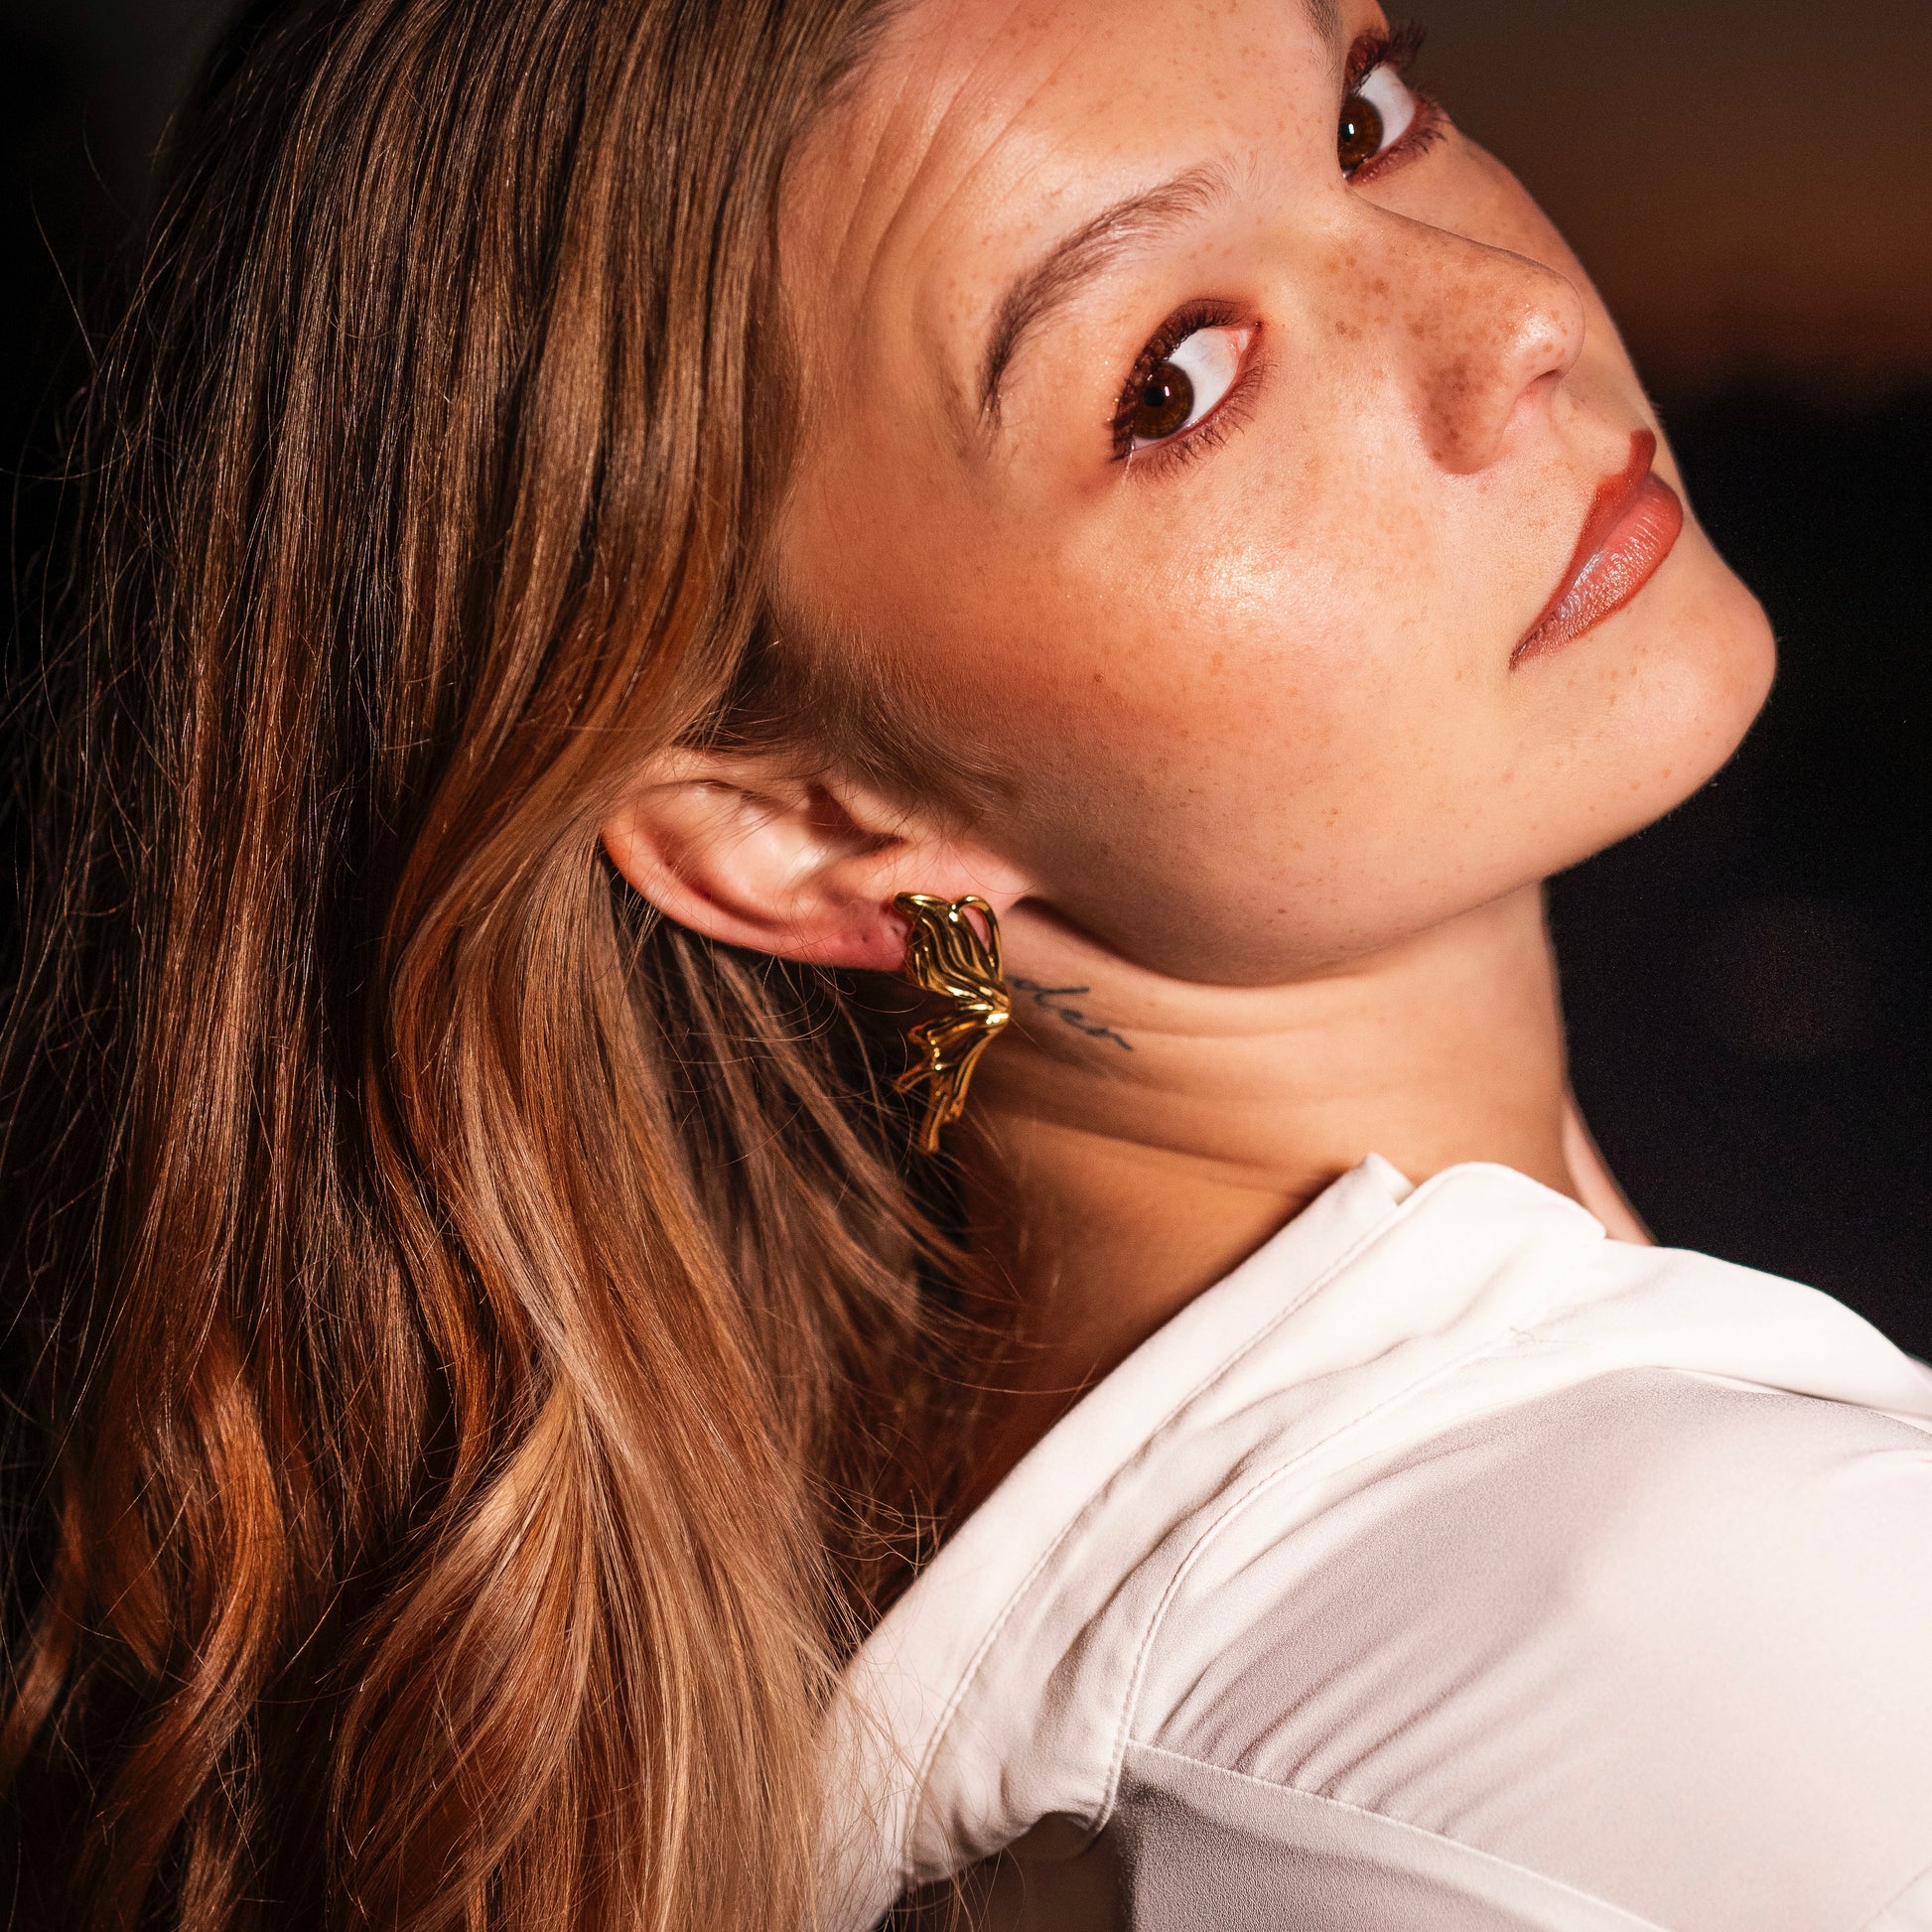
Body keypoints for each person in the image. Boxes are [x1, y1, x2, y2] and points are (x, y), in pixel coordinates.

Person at [4, 0, 1929, 1927]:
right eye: (1173, 379)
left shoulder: (989, 1628)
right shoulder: (1697, 1638)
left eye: (1365, 115)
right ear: (800, 829)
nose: (1507, 322)